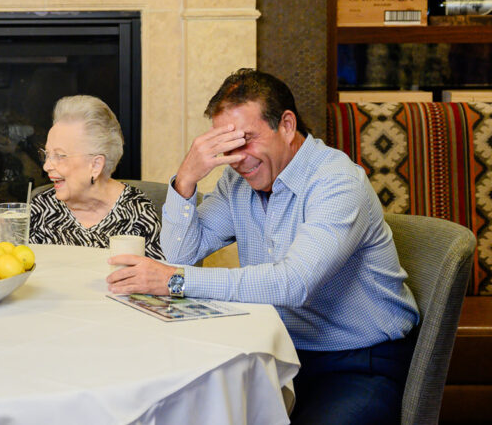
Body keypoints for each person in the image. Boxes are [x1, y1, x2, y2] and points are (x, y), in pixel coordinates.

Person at [106, 69, 419, 425]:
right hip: (275, 350)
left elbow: (292, 283)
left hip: (357, 360)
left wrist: (176, 280)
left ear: (286, 125)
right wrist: (187, 179)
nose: (238, 158)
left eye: (246, 140)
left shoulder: (338, 182)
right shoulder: (236, 182)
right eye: (226, 145)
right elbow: (181, 255)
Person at [29, 95, 164, 259]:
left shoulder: (137, 212)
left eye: (60, 156)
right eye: (47, 155)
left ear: (95, 165)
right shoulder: (41, 207)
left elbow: (154, 273)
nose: (46, 166)